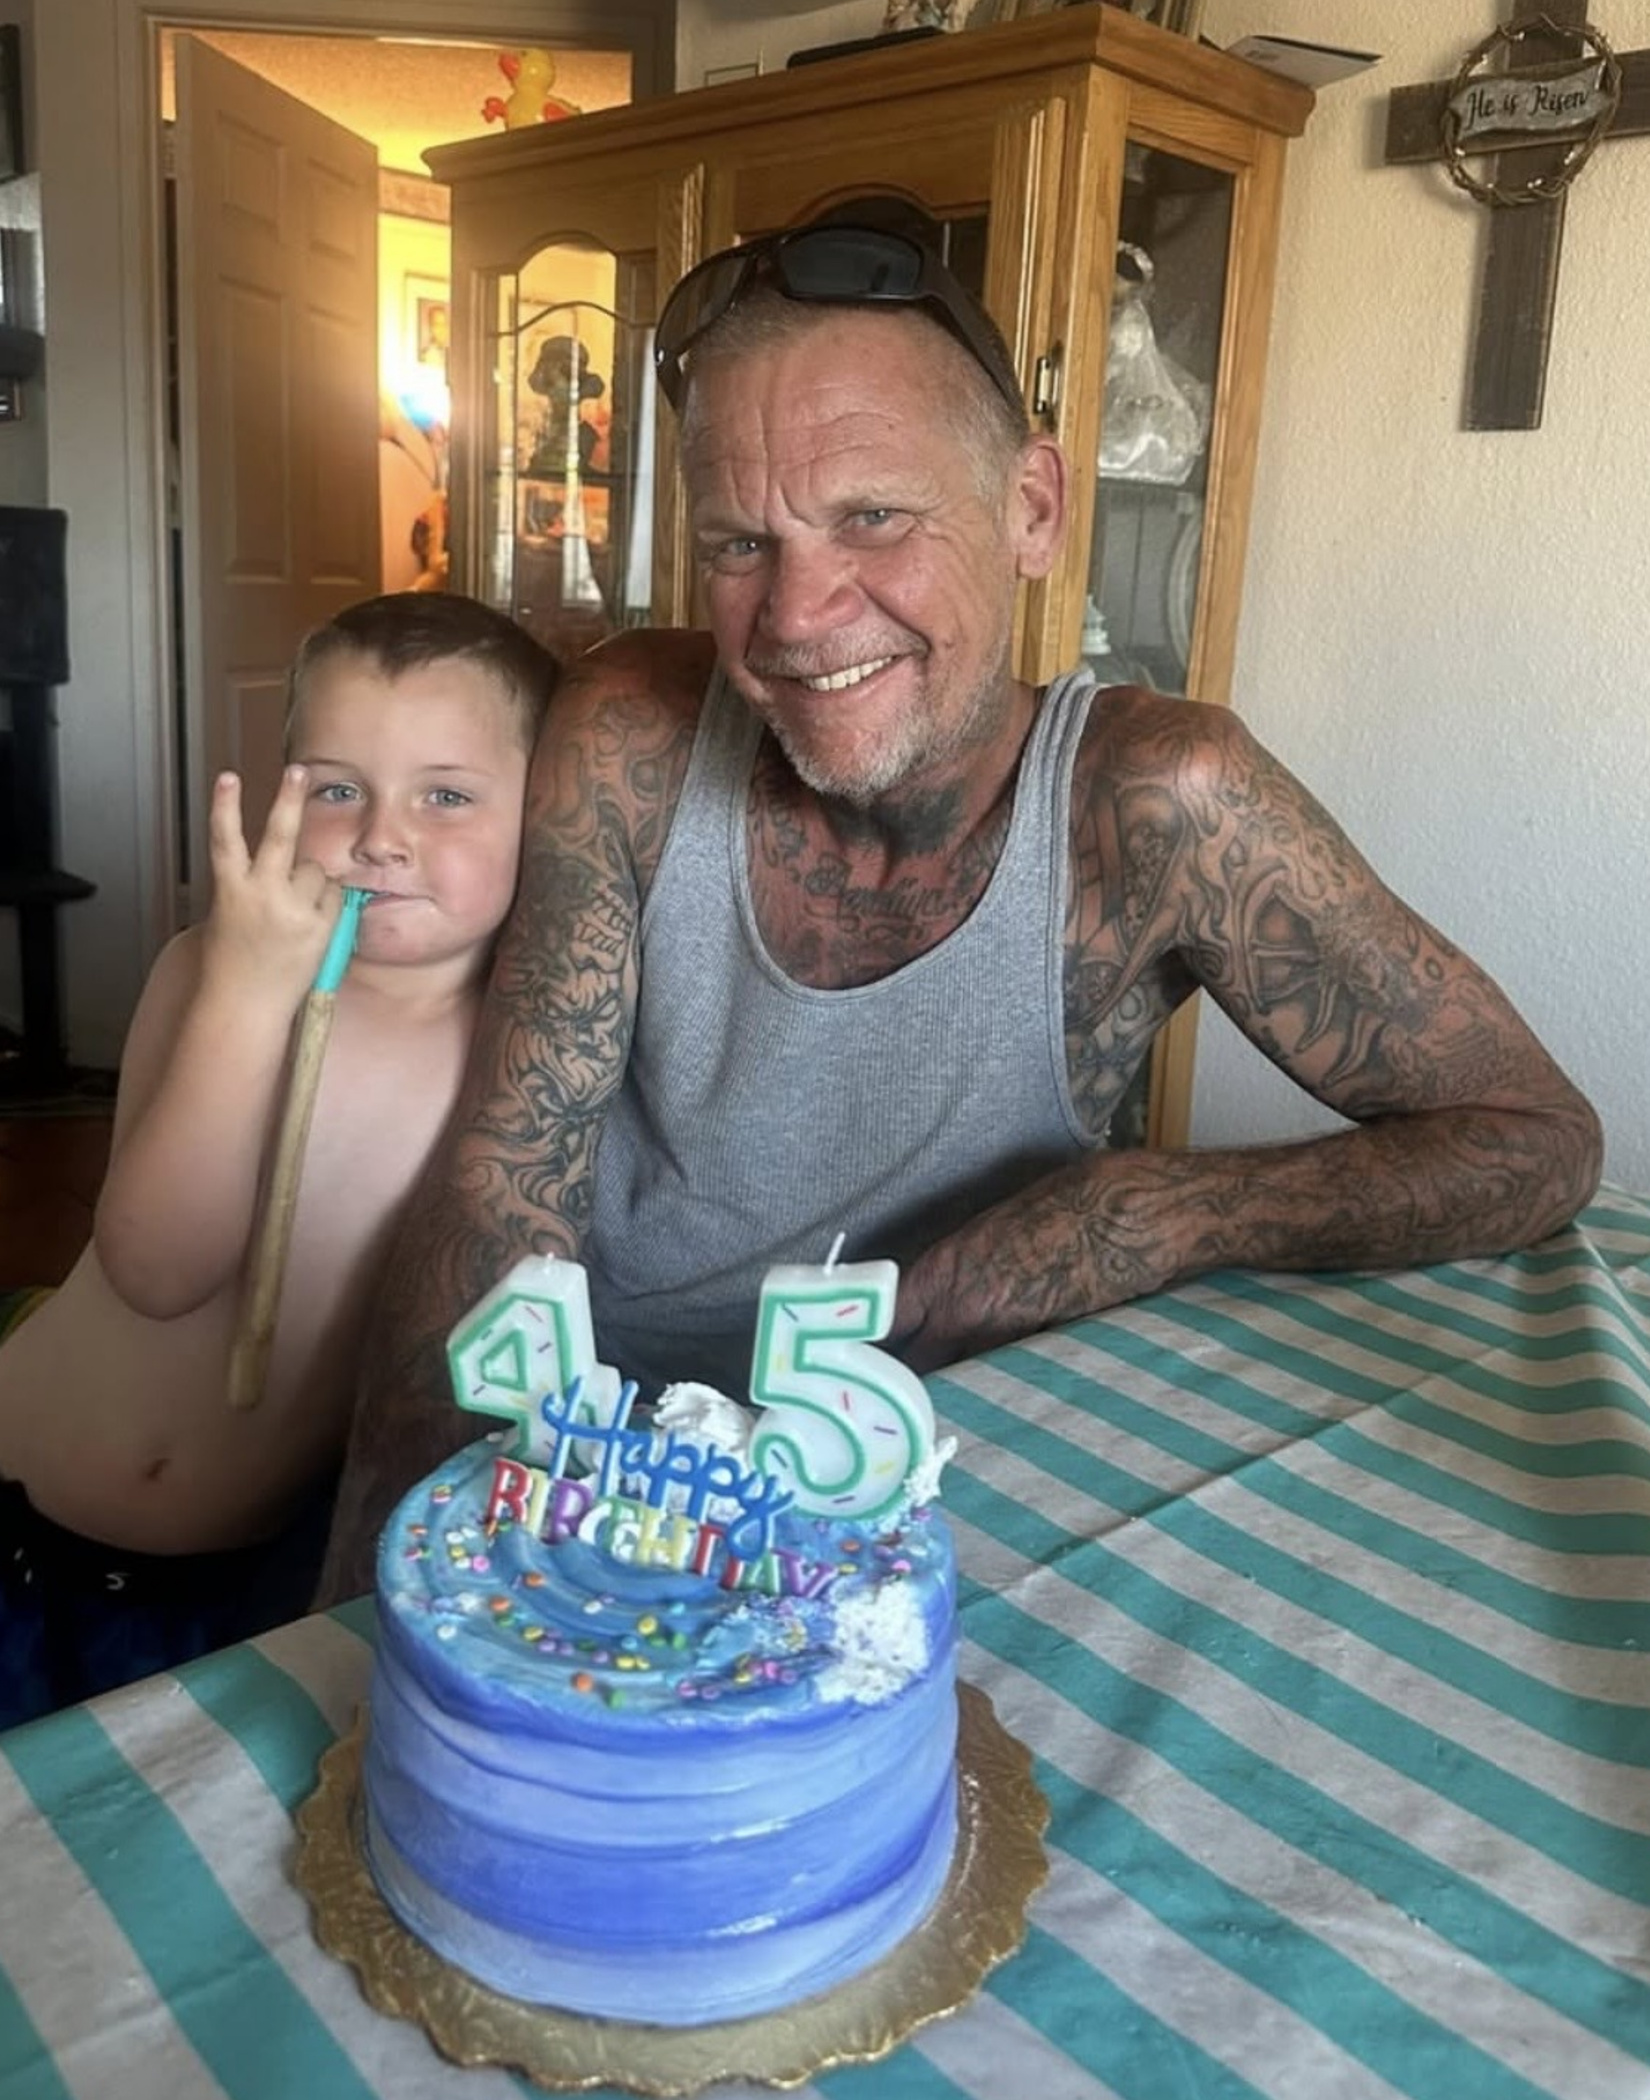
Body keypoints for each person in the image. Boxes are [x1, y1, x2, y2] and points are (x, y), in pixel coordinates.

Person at [316, 207, 1601, 1605]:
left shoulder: (1161, 800)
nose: (797, 615)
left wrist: (1150, 1209)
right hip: (606, 1467)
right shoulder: (628, 725)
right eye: (740, 544)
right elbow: (506, 1181)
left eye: (872, 517)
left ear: (1031, 509)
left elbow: (1535, 1139)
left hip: (929, 1491)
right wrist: (379, 1601)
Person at [0, 592, 554, 1727]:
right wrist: (251, 996)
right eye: (337, 788)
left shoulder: (517, 1057)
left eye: (446, 795)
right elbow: (157, 1268)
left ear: (541, 814)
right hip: (22, 1510)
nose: (381, 837)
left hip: (231, 1583)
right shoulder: (210, 970)